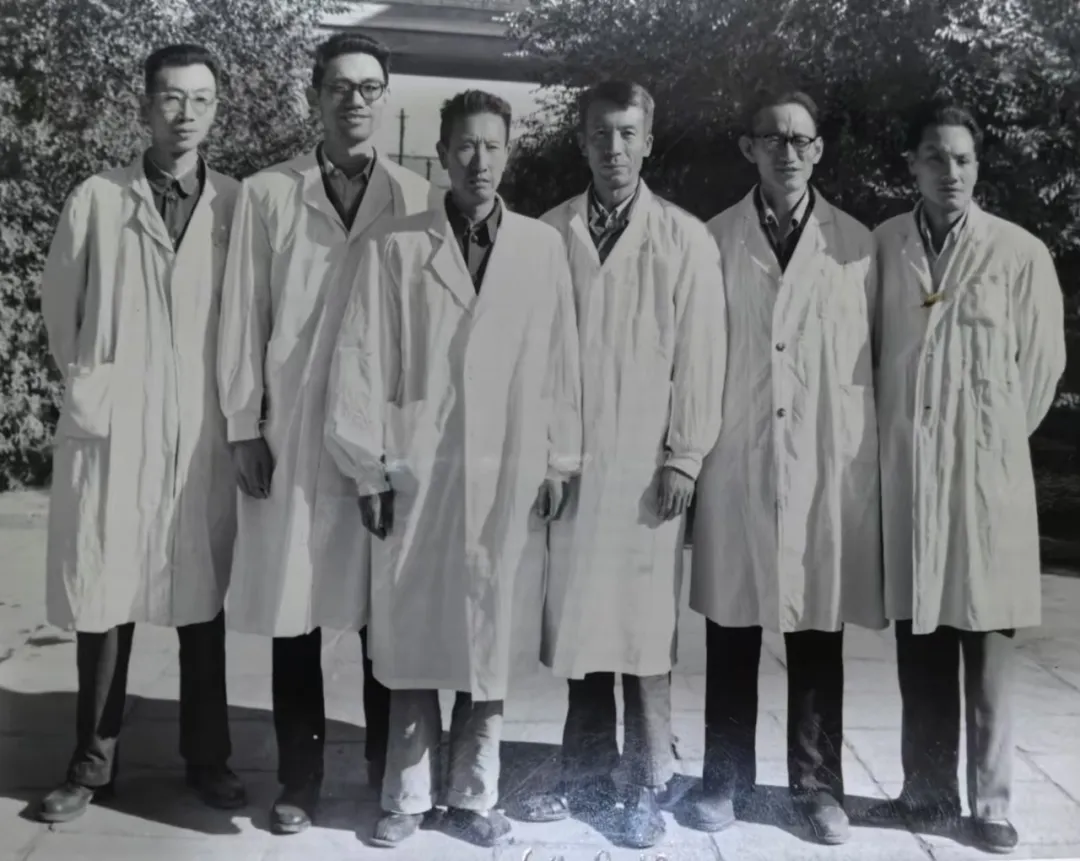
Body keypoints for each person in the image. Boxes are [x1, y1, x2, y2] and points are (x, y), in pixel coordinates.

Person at [323, 89, 583, 849]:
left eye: (492, 146)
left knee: (489, 635)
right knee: (411, 633)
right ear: (442, 155)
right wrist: (367, 469)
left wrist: (559, 459)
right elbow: (362, 357)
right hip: (420, 466)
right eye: (465, 146)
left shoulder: (540, 247)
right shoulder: (395, 246)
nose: (479, 161)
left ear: (509, 153)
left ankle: (474, 795)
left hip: (508, 466)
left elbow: (561, 359)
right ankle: (404, 796)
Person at [216, 32, 435, 835]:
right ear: (315, 96)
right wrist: (244, 424)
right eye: (339, 86)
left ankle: (385, 776)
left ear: (386, 97)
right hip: (294, 433)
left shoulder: (417, 196)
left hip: (381, 436)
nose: (355, 101)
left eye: (369, 87)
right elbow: (242, 317)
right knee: (295, 608)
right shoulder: (268, 194)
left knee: (386, 610)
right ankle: (299, 779)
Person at [35, 44, 243, 823]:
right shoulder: (97, 198)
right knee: (106, 598)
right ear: (145, 106)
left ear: (215, 110)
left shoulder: (235, 203)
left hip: (199, 429)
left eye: (200, 99)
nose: (185, 114)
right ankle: (90, 766)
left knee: (201, 600)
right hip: (118, 425)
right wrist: (100, 381)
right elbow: (63, 311)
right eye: (171, 98)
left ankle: (209, 758)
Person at [515, 80, 726, 850]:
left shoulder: (685, 238)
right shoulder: (547, 233)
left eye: (628, 133)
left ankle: (643, 784)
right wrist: (545, 455)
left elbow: (702, 358)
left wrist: (685, 456)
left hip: (646, 468)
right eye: (601, 134)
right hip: (569, 462)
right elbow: (533, 356)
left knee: (641, 630)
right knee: (579, 621)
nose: (614, 148)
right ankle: (582, 770)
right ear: (582, 140)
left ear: (648, 140)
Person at [685, 91, 885, 845]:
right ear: (749, 148)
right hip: (737, 456)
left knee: (817, 627)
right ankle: (724, 778)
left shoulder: (858, 245)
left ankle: (818, 787)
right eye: (772, 138)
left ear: (819, 149)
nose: (788, 151)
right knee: (731, 623)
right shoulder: (712, 239)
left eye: (801, 139)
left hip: (820, 461)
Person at [866, 100, 1066, 854]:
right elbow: (873, 351)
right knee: (920, 641)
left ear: (977, 168)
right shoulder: (884, 247)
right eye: (935, 157)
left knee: (987, 649)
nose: (949, 171)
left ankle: (992, 804)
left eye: (962, 159)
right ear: (912, 167)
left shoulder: (1019, 252)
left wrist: (985, 439)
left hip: (986, 479)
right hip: (911, 475)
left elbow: (1040, 370)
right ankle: (925, 793)